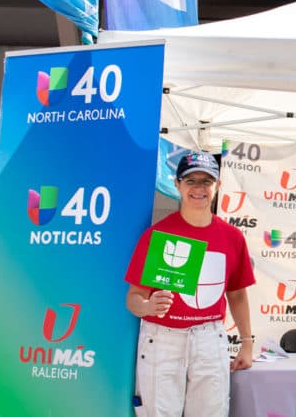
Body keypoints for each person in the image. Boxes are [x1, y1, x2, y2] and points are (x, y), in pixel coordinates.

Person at [124, 151, 256, 417]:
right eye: (191, 181)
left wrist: (247, 343)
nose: (199, 188)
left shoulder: (232, 237)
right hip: (163, 338)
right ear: (177, 185)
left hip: (210, 338)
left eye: (206, 181)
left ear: (218, 186)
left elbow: (238, 295)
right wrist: (147, 306)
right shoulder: (158, 235)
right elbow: (133, 298)